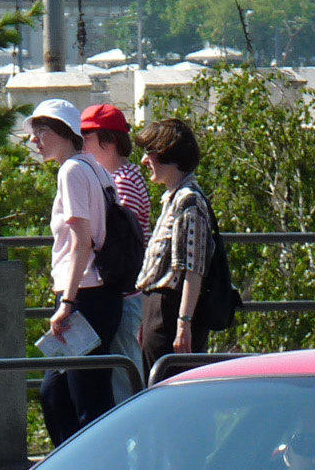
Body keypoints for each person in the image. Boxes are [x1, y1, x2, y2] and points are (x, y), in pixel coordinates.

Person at [30, 98, 124, 447]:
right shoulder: (95, 168)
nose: (34, 140)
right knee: (61, 393)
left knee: (84, 402)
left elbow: (81, 242)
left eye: (40, 132)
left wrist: (67, 301)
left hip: (83, 295)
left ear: (61, 132)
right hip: (99, 294)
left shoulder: (70, 170)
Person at [77, 103, 150, 403]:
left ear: (107, 140)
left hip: (123, 294)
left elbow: (116, 240)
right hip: (127, 292)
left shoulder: (122, 182)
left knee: (123, 379)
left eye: (87, 138)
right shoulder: (124, 177)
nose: (82, 146)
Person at [133, 118, 215, 377]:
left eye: (150, 153)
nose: (145, 161)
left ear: (168, 155)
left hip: (170, 310)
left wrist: (184, 324)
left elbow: (193, 269)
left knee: (169, 388)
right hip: (158, 311)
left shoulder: (188, 202)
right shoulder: (174, 198)